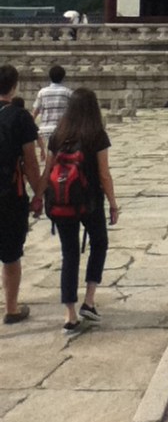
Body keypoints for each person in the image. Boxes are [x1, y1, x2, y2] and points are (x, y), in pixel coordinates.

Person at [38, 88, 118, 332]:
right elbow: (104, 174)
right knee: (99, 243)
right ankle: (89, 300)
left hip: (61, 202)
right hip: (90, 201)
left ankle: (69, 314)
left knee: (69, 253)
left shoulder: (58, 135)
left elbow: (48, 170)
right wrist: (113, 204)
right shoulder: (96, 135)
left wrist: (38, 198)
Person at [0, 65, 41, 325]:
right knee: (11, 254)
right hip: (9, 194)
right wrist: (39, 194)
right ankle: (11, 308)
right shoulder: (20, 117)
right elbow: (30, 162)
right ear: (15, 86)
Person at [33, 65, 72, 161]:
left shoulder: (42, 92)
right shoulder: (68, 93)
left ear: (50, 77)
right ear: (63, 77)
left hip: (45, 131)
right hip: (62, 131)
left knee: (48, 161)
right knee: (61, 161)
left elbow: (35, 113)